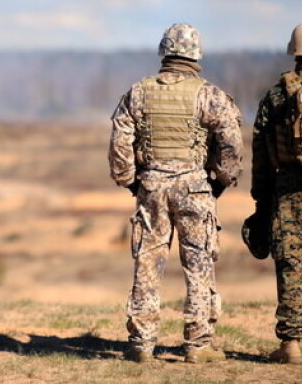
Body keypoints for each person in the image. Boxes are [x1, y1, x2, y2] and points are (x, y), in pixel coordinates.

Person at [109, 23, 243, 363]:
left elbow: (120, 138)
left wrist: (130, 180)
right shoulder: (209, 94)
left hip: (151, 186)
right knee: (199, 264)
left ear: (164, 51)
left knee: (147, 263)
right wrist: (220, 182)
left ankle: (142, 344)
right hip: (195, 188)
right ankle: (198, 346)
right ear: (196, 54)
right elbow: (230, 142)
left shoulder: (138, 92)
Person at [251, 21, 302, 365]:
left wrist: (261, 198)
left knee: (291, 263)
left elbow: (260, 149)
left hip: (288, 187)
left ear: (294, 52)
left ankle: (291, 346)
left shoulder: (277, 94)